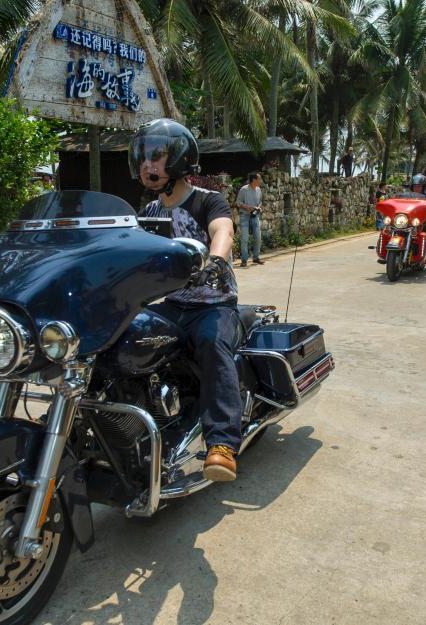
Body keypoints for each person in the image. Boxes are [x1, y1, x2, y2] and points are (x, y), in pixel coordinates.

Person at [129, 118, 242, 481]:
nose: (149, 164)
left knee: (211, 343)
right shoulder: (149, 213)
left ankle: (222, 443)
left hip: (213, 304)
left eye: (157, 156)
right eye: (144, 157)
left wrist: (217, 260)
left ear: (179, 158)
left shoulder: (208, 201)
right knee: (126, 338)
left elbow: (222, 230)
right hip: (173, 304)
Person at [392, 173, 426, 268]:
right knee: (390, 230)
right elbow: (397, 203)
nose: (417, 188)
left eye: (419, 186)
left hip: (422, 222)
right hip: (407, 221)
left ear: (423, 187)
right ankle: (387, 254)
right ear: (412, 186)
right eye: (415, 186)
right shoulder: (405, 196)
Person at [235, 173, 265, 267]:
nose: (261, 181)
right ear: (253, 180)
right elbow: (238, 202)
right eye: (259, 179)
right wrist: (248, 207)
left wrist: (259, 207)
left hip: (255, 216)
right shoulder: (244, 189)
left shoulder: (258, 190)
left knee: (258, 237)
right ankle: (244, 260)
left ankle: (256, 258)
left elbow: (260, 202)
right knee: (244, 238)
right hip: (244, 215)